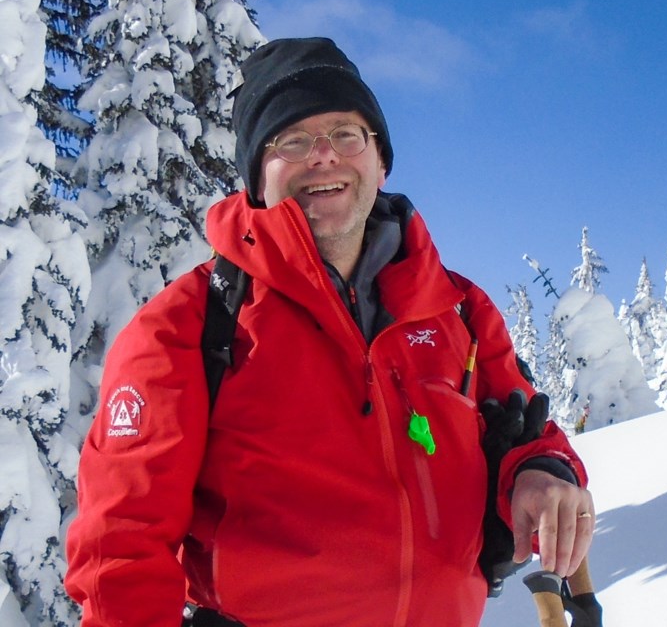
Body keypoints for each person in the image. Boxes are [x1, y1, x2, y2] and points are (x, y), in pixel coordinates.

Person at [65, 37, 594, 627]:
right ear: (255, 177)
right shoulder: (187, 325)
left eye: (347, 133)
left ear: (380, 158)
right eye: (292, 140)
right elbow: (122, 545)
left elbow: (530, 429)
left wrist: (541, 472)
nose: (324, 156)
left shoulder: (459, 308)